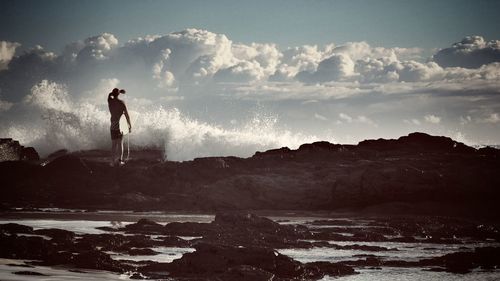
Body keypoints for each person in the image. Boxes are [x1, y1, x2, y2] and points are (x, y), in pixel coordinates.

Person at [108, 88, 131, 166]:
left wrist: (118, 92)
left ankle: (112, 161)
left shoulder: (110, 101)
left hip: (113, 124)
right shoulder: (121, 103)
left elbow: (109, 95)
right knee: (120, 143)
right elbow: (127, 115)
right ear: (118, 94)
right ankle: (119, 161)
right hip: (120, 125)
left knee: (113, 144)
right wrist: (129, 125)